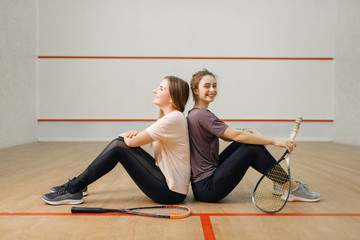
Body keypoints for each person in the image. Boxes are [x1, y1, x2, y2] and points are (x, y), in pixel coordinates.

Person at [42, 76, 191, 205]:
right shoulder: (172, 118)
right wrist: (131, 137)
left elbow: (132, 143)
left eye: (161, 89)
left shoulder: (174, 118)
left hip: (170, 192)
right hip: (170, 186)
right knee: (120, 144)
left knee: (119, 146)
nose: (155, 91)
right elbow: (136, 141)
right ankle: (78, 185)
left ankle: (74, 188)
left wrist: (128, 136)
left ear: (172, 97)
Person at [187, 69, 321, 203]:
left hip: (203, 185)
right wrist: (275, 141)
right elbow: (237, 135)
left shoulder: (196, 113)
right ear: (196, 90)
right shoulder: (202, 115)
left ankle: (282, 184)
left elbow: (227, 136)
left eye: (214, 86)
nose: (212, 89)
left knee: (243, 144)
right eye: (207, 86)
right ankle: (292, 188)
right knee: (252, 149)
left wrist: (249, 130)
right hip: (208, 188)